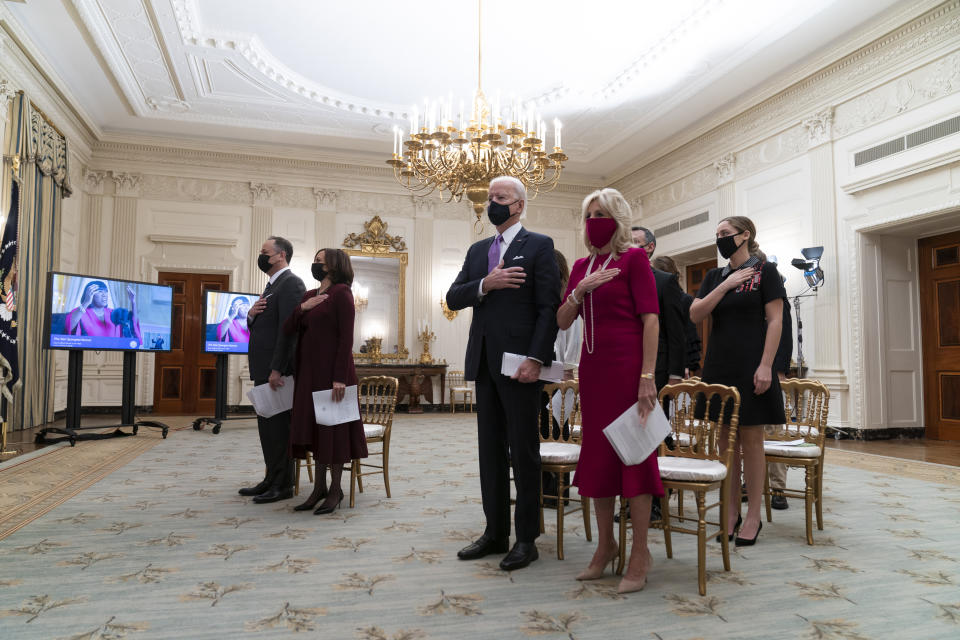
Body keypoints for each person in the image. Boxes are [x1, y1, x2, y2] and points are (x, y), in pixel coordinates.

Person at [446, 175, 561, 572]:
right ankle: (495, 532)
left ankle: (526, 538)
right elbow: (453, 295)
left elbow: (549, 308)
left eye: (502, 196)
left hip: (521, 367)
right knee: (490, 452)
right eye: (491, 196)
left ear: (520, 205)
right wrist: (486, 283)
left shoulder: (539, 245)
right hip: (483, 361)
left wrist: (536, 358)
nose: (493, 201)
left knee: (523, 452)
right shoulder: (479, 251)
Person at [558, 188, 662, 594]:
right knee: (600, 461)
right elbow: (564, 320)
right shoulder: (582, 265)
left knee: (634, 459)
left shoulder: (634, 260)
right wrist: (581, 291)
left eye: (601, 214)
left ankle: (640, 553)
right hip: (594, 372)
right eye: (589, 215)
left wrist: (647, 376)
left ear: (618, 218)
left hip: (628, 371)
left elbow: (651, 321)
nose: (593, 221)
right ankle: (606, 547)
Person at [690, 216, 784, 546]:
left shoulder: (765, 272)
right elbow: (696, 313)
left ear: (745, 236)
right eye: (717, 234)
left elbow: (775, 321)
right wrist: (726, 284)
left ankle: (754, 515)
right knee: (724, 443)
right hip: (719, 365)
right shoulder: (716, 276)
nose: (720, 239)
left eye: (725, 234)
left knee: (752, 441)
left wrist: (766, 366)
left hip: (752, 364)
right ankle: (731, 513)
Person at [285, 248, 368, 515]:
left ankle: (335, 490)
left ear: (333, 266)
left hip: (334, 375)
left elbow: (346, 339)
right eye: (315, 261)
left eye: (320, 261)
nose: (315, 264)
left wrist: (339, 378)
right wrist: (302, 308)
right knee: (315, 431)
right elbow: (288, 328)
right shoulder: (310, 295)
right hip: (309, 374)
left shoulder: (342, 294)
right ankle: (318, 488)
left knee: (333, 432)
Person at [239, 236, 306, 504]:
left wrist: (278, 368)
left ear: (281, 255)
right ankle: (270, 479)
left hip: (276, 372)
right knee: (266, 428)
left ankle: (283, 484)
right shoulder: (270, 287)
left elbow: (288, 332)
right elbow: (263, 325)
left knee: (279, 430)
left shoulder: (292, 284)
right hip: (263, 368)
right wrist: (251, 315)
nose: (261, 256)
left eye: (264, 252)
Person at [541, 249, 581, 508]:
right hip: (542, 373)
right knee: (542, 431)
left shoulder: (568, 295)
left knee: (558, 431)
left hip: (560, 375)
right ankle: (545, 491)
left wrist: (567, 372)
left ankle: (558, 493)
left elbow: (571, 337)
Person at [630, 227, 685, 390]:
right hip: (626, 360)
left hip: (657, 368)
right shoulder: (619, 278)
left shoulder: (665, 281)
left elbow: (676, 330)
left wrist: (675, 374)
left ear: (650, 247)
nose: (629, 247)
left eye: (635, 242)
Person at [651, 255, 702, 377]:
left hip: (676, 361)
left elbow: (688, 334)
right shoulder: (652, 298)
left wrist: (685, 365)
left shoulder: (684, 299)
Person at [768, 282, 794, 510]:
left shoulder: (776, 293)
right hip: (749, 371)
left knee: (774, 432)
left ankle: (778, 488)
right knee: (750, 434)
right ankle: (750, 482)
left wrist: (779, 372)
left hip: (774, 375)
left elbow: (785, 336)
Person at [66, 280, 141, 344]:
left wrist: (133, 302)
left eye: (106, 292)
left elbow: (133, 323)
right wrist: (86, 302)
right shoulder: (81, 312)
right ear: (90, 294)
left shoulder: (114, 313)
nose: (104, 295)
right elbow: (70, 325)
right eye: (100, 292)